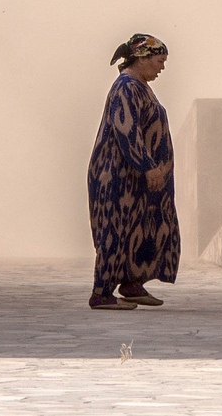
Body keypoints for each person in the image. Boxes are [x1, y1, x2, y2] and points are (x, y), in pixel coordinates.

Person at [87, 33, 181, 310]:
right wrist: (148, 167)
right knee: (115, 231)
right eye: (159, 60)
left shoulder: (140, 86)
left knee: (140, 228)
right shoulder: (126, 87)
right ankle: (101, 294)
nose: (162, 67)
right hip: (116, 176)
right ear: (143, 58)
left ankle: (132, 283)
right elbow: (126, 132)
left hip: (137, 179)